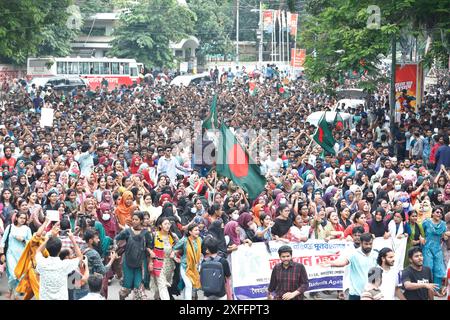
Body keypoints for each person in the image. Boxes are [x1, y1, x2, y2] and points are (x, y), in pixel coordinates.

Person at [322, 233, 377, 300]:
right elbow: (343, 262)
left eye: (370, 244)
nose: (368, 246)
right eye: (366, 244)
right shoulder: (353, 254)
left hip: (370, 293)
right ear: (361, 243)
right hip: (355, 293)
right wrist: (331, 263)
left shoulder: (376, 255)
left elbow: (377, 273)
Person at [35, 226, 85, 300]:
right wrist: (72, 239)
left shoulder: (41, 262)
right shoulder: (65, 264)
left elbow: (38, 251)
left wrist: (50, 237)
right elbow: (80, 258)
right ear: (60, 250)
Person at [115, 211, 153, 300]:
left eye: (136, 219)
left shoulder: (146, 233)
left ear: (141, 221)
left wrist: (150, 260)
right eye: (133, 219)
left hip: (140, 264)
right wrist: (115, 250)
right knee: (126, 288)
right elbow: (116, 239)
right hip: (127, 262)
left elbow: (150, 247)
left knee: (139, 289)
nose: (134, 221)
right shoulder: (127, 232)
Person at [0, 212, 32, 299]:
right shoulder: (10, 227)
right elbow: (2, 241)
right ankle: (13, 293)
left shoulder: (27, 229)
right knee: (13, 275)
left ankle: (13, 292)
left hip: (22, 256)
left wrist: (22, 240)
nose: (22, 220)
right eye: (21, 217)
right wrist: (2, 254)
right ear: (16, 218)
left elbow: (31, 243)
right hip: (10, 254)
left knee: (20, 276)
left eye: (24, 218)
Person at [421, 207, 450, 296]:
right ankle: (426, 289)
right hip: (427, 248)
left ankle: (435, 290)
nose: (439, 214)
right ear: (432, 213)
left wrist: (446, 235)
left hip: (437, 249)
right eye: (437, 212)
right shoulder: (426, 222)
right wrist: (421, 237)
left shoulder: (443, 224)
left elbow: (444, 238)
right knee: (428, 268)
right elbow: (420, 232)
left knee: (439, 269)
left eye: (440, 213)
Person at [150, 217, 178, 300]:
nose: (167, 225)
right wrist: (150, 262)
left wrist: (174, 252)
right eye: (165, 224)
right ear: (160, 226)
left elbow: (179, 246)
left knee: (162, 286)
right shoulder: (154, 235)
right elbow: (150, 249)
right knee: (162, 285)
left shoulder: (173, 236)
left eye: (168, 224)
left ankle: (157, 297)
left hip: (169, 264)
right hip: (158, 263)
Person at [172, 223, 202, 300]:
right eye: (195, 230)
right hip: (185, 266)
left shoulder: (200, 240)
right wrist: (175, 258)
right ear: (190, 232)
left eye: (198, 230)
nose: (197, 231)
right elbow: (174, 249)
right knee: (189, 285)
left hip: (195, 267)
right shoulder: (184, 240)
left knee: (188, 285)